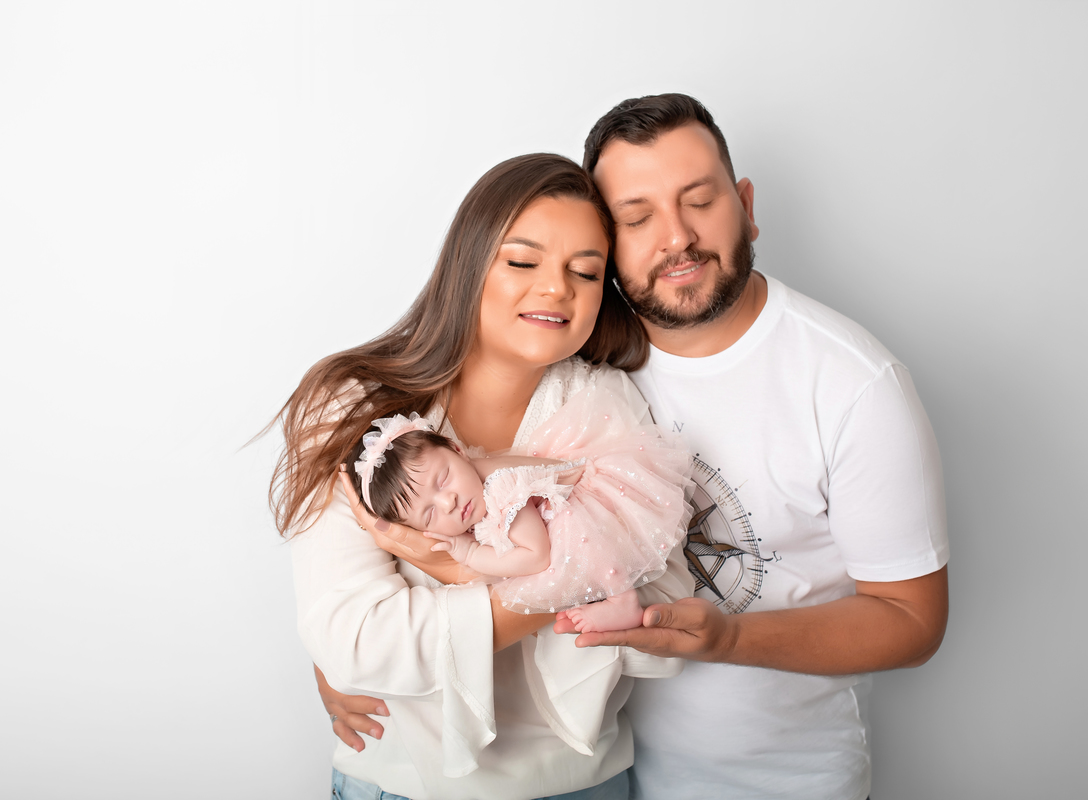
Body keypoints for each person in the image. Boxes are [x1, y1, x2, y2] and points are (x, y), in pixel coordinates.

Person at [321, 95, 950, 800]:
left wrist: (729, 640)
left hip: (776, 780)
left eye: (700, 201)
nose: (676, 237)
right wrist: (348, 651)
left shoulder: (851, 384)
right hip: (622, 771)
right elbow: (354, 612)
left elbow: (912, 621)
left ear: (746, 206)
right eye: (638, 217)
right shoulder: (586, 359)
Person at [270, 152, 692, 800]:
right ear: (468, 265)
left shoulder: (604, 403)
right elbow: (353, 642)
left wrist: (448, 569)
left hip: (583, 784)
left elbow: (661, 610)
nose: (556, 289)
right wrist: (568, 579)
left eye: (585, 272)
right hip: (401, 784)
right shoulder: (354, 406)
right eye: (523, 262)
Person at [344, 377, 692, 631]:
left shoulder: (500, 489)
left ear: (456, 449)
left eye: (443, 479)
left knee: (578, 542)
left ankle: (622, 601)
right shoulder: (474, 476)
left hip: (586, 501)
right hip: (564, 490)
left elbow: (537, 556)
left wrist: (470, 553)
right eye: (430, 513)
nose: (448, 502)